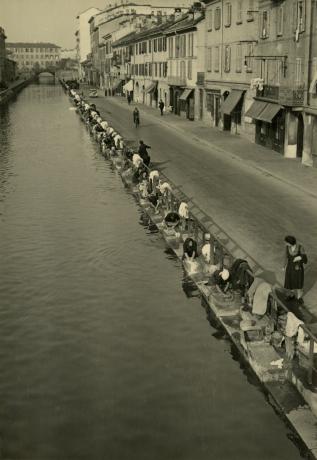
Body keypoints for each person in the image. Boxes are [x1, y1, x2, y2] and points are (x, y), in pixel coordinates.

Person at [284, 235, 307, 303]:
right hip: (290, 268)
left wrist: (299, 257)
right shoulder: (287, 248)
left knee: (298, 284)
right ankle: (291, 295)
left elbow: (305, 259)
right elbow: (285, 257)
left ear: (290, 242)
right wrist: (284, 266)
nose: (285, 244)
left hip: (298, 269)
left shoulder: (300, 247)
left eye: (286, 242)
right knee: (290, 283)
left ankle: (299, 297)